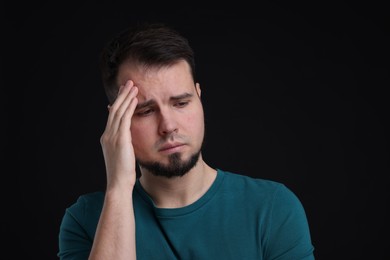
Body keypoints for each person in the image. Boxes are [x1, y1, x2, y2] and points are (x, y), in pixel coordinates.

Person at [58, 22, 315, 259]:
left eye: (181, 103)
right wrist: (118, 189)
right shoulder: (86, 220)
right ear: (117, 119)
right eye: (146, 111)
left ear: (199, 96)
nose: (168, 126)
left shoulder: (272, 208)